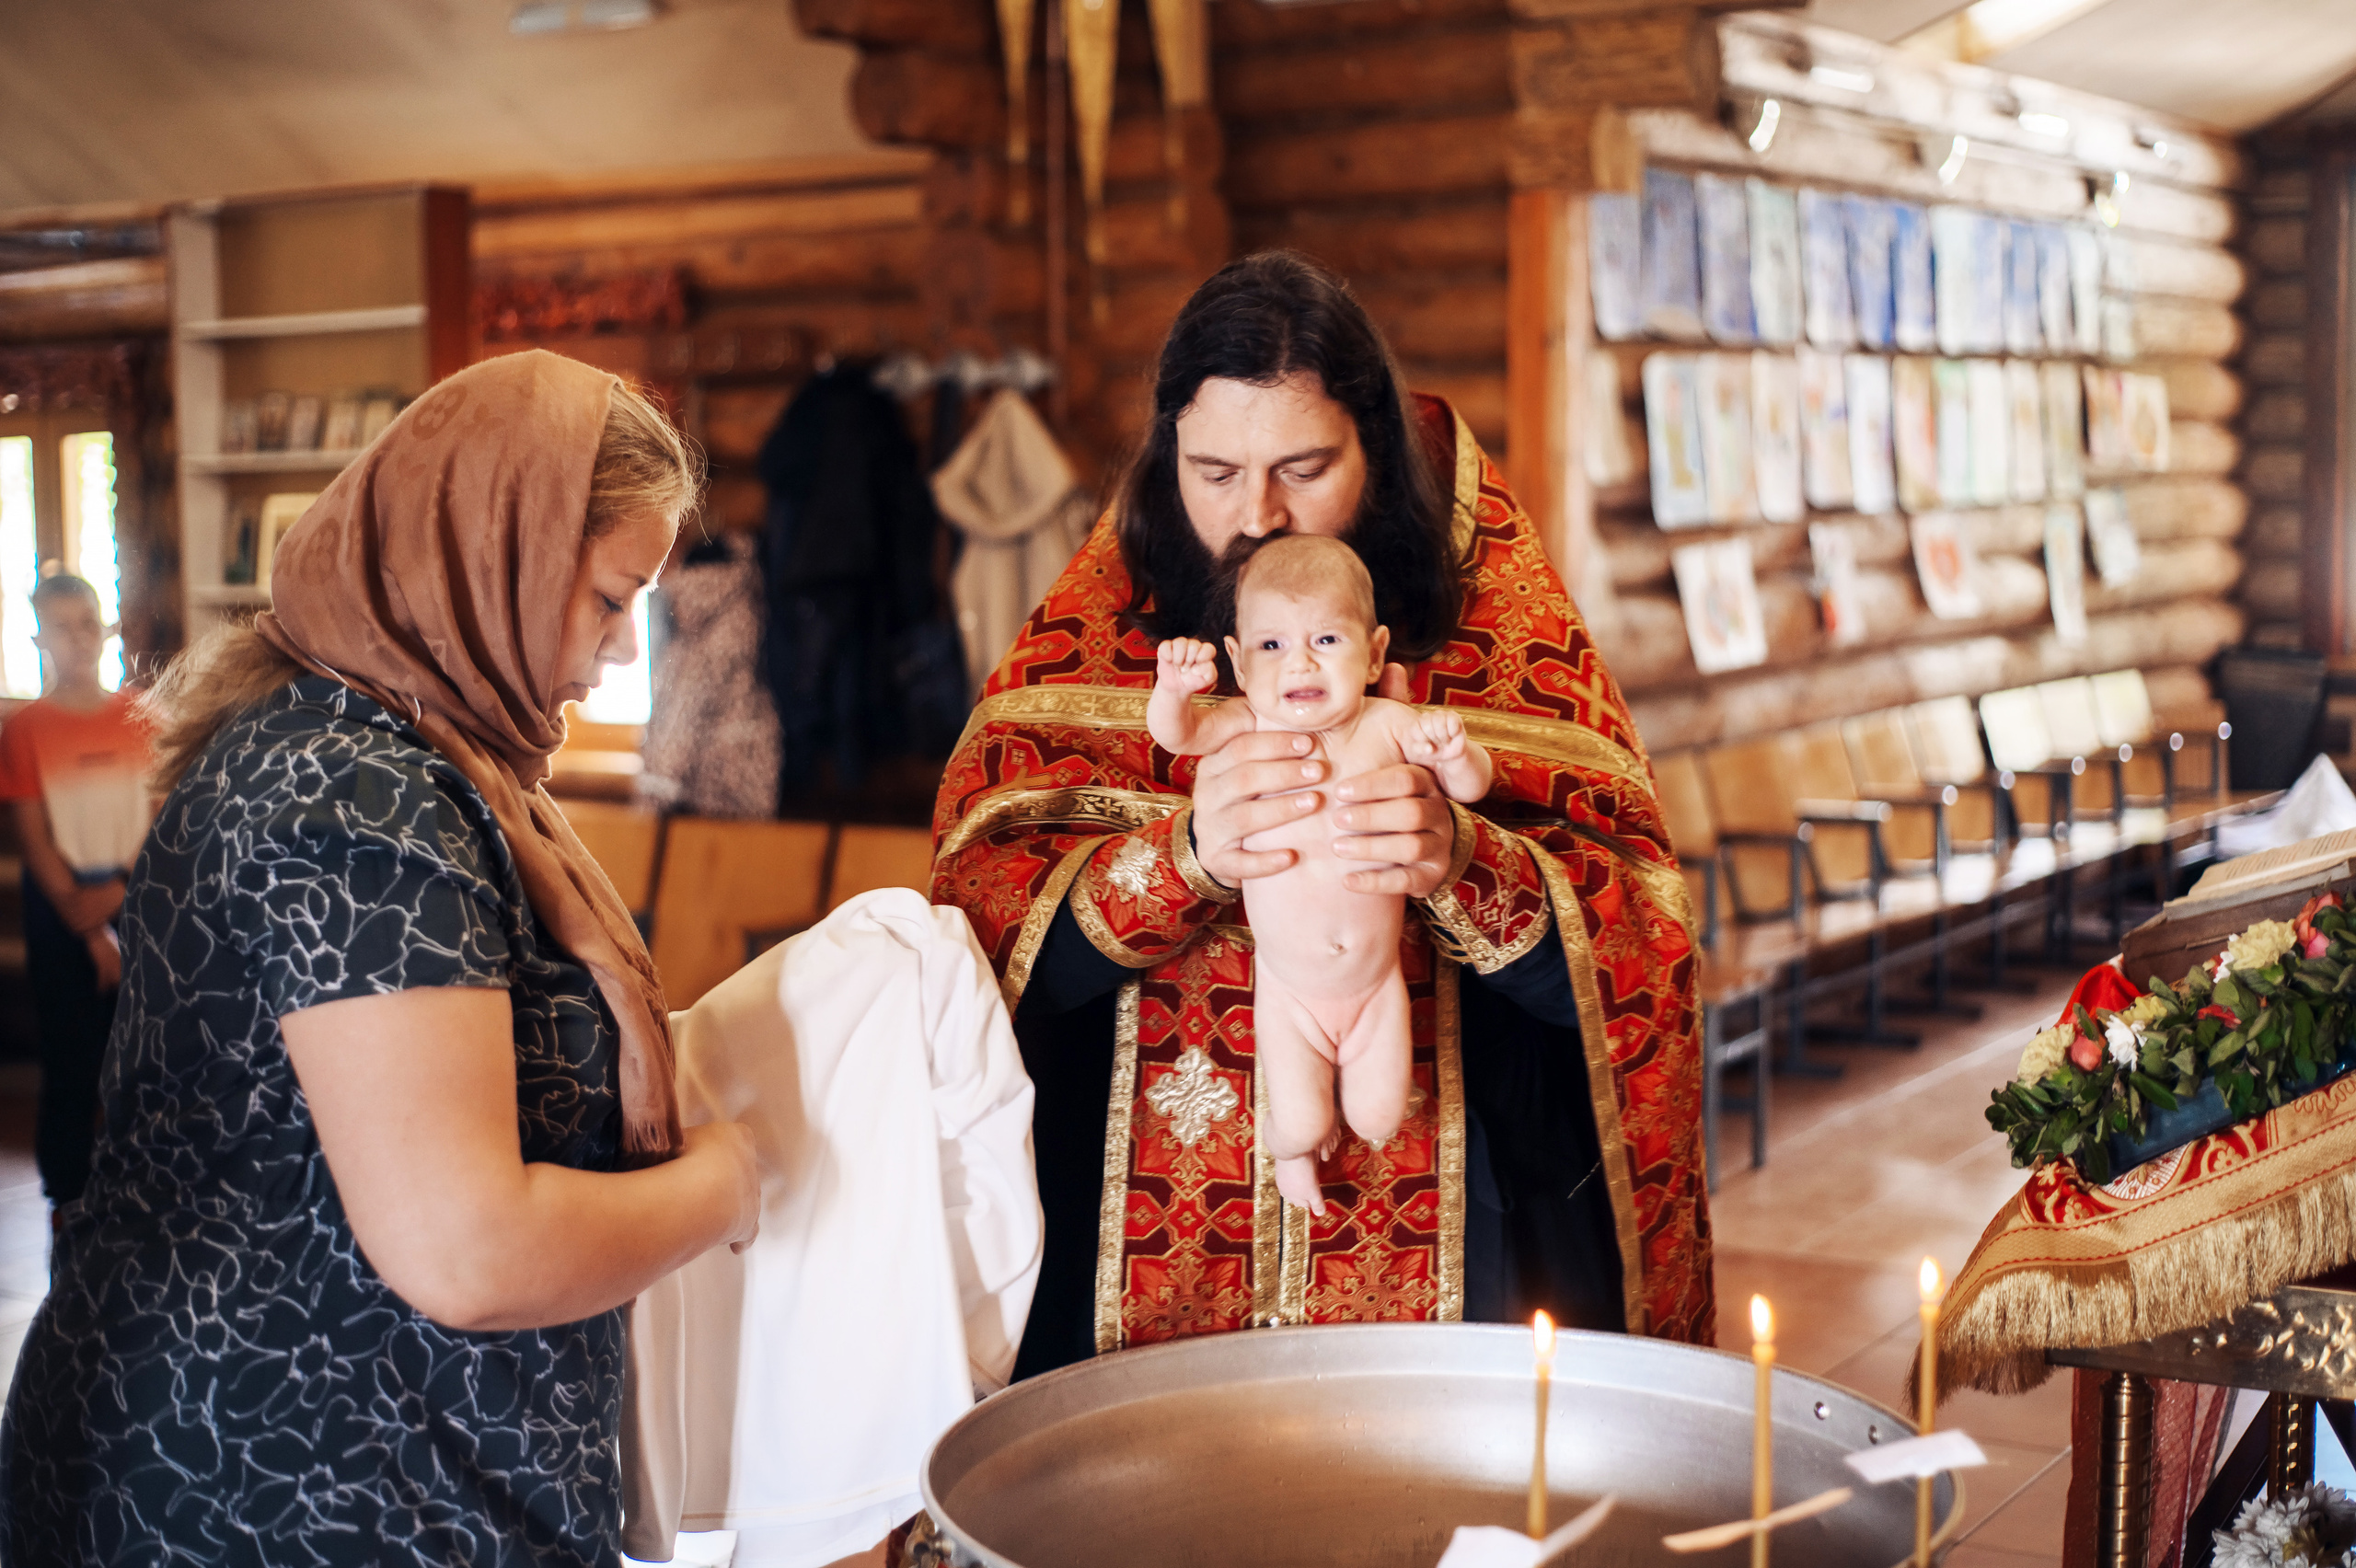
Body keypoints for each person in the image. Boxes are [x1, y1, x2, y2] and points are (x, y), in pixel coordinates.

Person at [0, 351, 761, 1566]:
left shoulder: (415, 757)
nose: (622, 653)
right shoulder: (351, 795)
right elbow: (467, 1249)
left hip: (353, 1461)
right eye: (612, 598)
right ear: (486, 554)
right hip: (277, 1487)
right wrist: (733, 1182)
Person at [931, 250, 1714, 1374]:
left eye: (1303, 468)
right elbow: (975, 934)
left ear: (1378, 456)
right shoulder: (1096, 644)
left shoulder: (1504, 642)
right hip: (1129, 1285)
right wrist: (1180, 858)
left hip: (1458, 1247)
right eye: (1211, 471)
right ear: (1165, 463)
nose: (1254, 517)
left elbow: (1641, 947)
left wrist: (1462, 860)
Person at [1147, 535, 1493, 1215]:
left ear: (1376, 653)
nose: (1299, 662)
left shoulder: (1388, 723)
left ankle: (1328, 1126)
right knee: (1302, 1120)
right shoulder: (1245, 722)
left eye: (1327, 640)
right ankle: (1291, 1150)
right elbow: (1175, 735)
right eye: (1272, 646)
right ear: (1239, 664)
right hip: (1287, 988)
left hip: (1374, 981)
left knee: (1379, 1116)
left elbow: (1472, 788)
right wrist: (1173, 690)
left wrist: (1455, 756)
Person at [0, 573, 149, 1225]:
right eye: (62, 626)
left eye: (89, 621)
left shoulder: (146, 718)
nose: (79, 637)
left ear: (106, 627)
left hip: (134, 892)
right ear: (40, 639)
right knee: (72, 1053)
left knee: (142, 1054)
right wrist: (88, 928)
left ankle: (144, 1182)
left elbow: (161, 817)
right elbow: (34, 837)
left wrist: (120, 891)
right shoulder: (25, 730)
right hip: (60, 904)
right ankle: (68, 1190)